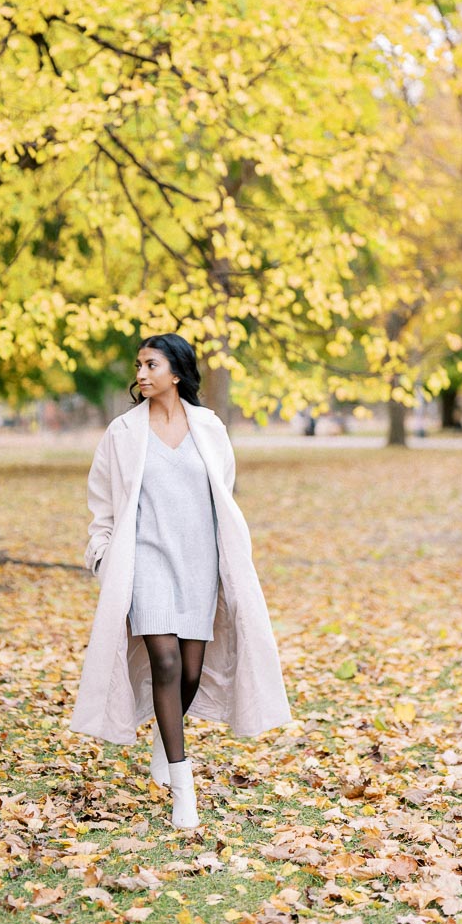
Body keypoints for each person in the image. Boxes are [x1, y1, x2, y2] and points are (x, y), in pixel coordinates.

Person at [70, 332, 291, 829]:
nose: (141, 374)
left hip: (199, 563)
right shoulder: (123, 433)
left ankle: (163, 737)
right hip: (145, 561)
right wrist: (103, 557)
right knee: (164, 660)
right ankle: (182, 780)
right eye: (139, 365)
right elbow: (102, 504)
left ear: (176, 371)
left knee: (190, 671)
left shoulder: (209, 428)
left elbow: (223, 496)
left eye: (151, 365)